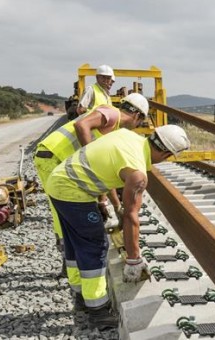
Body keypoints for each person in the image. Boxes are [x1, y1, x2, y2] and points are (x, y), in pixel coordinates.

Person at [45, 125, 190, 330]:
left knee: (74, 242)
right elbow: (132, 216)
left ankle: (80, 297)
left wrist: (112, 205)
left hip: (57, 182)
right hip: (72, 192)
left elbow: (106, 173)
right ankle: (98, 311)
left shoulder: (127, 136)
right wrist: (133, 259)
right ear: (166, 154)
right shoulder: (138, 174)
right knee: (95, 245)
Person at [33, 93, 150, 274]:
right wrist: (90, 152)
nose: (136, 128)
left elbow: (100, 176)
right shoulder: (112, 113)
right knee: (62, 213)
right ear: (137, 116)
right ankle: (69, 261)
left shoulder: (114, 128)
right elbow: (82, 125)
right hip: (52, 156)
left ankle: (72, 264)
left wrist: (111, 203)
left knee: (67, 213)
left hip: (57, 158)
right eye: (139, 124)